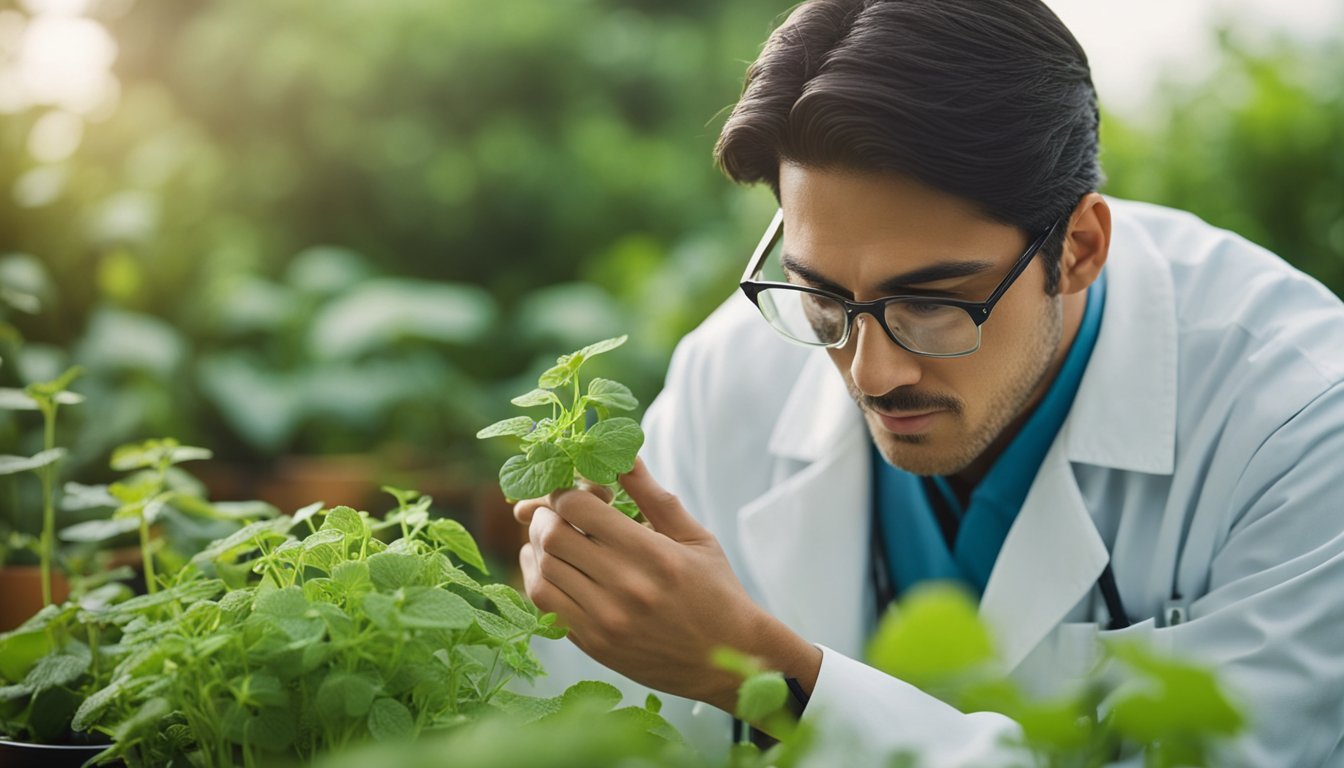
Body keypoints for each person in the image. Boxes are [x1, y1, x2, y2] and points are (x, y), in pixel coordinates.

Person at [513, 0, 1344, 764]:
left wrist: (769, 677)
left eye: (933, 303)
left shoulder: (1302, 422)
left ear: (1080, 248)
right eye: (823, 294)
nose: (872, 373)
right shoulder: (730, 373)